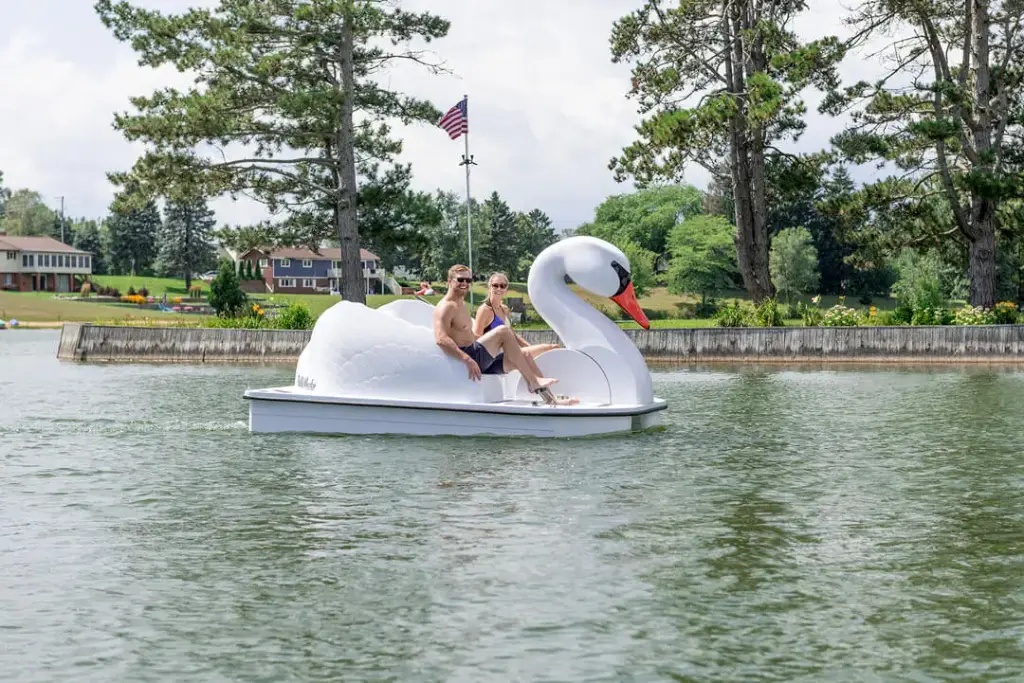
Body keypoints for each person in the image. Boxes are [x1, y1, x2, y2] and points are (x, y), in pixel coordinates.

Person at [434, 264, 575, 405]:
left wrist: (498, 346)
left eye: (468, 280)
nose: (465, 283)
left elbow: (469, 335)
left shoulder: (461, 304)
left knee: (525, 355)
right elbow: (441, 339)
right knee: (503, 331)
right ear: (450, 281)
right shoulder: (447, 307)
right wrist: (467, 359)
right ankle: (533, 382)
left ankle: (551, 400)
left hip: (481, 356)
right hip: (472, 358)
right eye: (460, 280)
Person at [473, 271, 559, 366]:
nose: (499, 288)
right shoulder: (484, 310)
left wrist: (530, 347)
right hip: (493, 358)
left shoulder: (504, 309)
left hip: (508, 352)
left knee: (550, 349)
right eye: (495, 285)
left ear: (506, 289)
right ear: (489, 287)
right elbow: (477, 339)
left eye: (502, 286)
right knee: (549, 348)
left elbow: (513, 335)